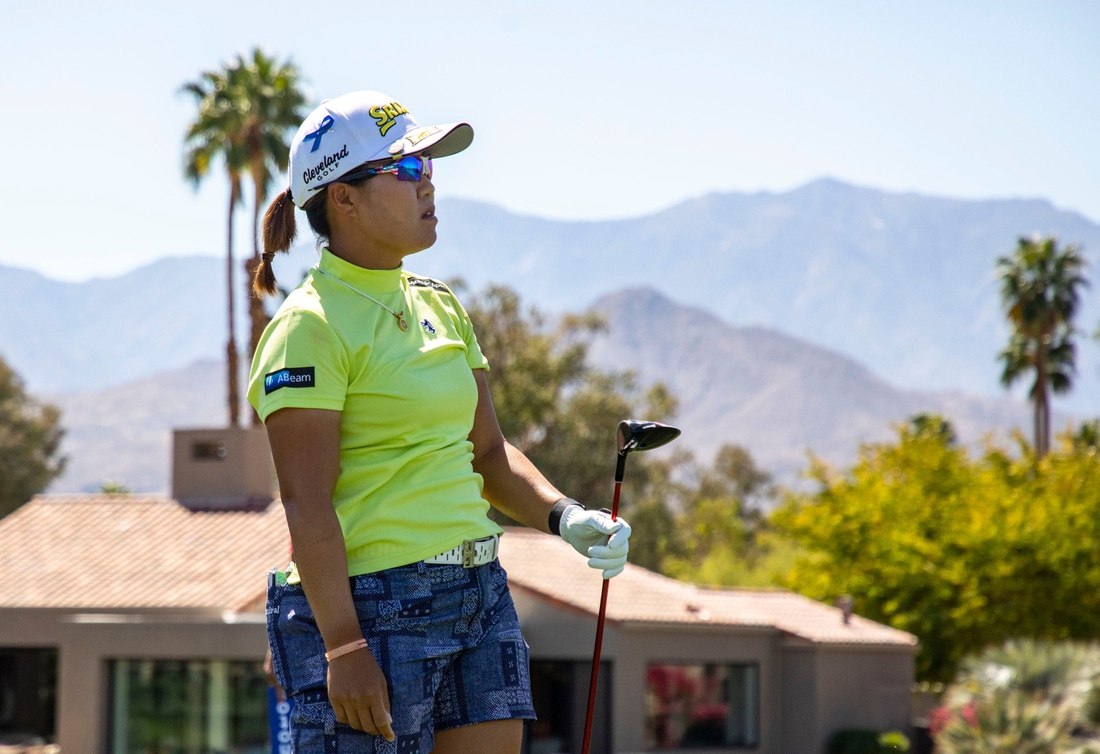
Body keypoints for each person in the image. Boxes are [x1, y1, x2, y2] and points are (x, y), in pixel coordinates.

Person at [249, 90, 633, 754]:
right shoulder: (308, 326)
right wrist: (342, 645)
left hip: (479, 591)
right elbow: (306, 502)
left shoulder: (440, 305)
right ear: (342, 197)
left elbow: (489, 456)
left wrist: (567, 516)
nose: (428, 180)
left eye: (428, 164)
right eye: (405, 168)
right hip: (370, 608)